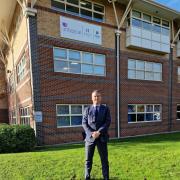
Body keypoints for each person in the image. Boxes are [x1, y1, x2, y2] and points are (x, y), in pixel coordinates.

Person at [82, 90, 111, 180]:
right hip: (90, 138)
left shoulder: (105, 109)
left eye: (98, 96)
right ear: (92, 98)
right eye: (94, 96)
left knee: (104, 160)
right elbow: (84, 123)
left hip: (101, 137)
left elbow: (107, 122)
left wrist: (99, 132)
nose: (96, 98)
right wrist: (92, 133)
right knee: (88, 160)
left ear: (101, 97)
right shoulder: (87, 109)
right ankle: (87, 177)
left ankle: (106, 177)